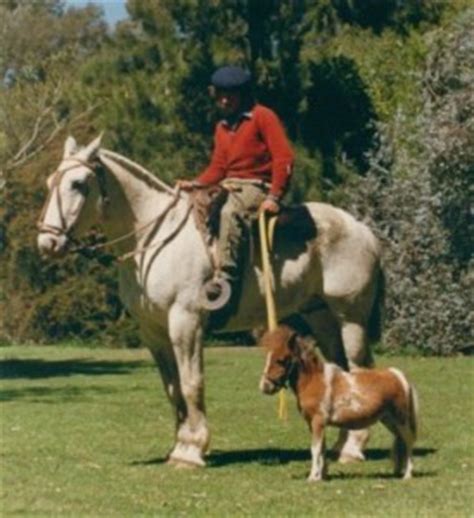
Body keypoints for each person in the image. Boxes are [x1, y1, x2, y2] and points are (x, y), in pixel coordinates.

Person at [178, 65, 294, 310]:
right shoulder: (222, 127)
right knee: (195, 208)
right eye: (220, 94)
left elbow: (284, 158)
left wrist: (275, 195)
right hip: (228, 185)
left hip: (257, 186)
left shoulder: (263, 116)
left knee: (229, 212)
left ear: (243, 93)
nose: (224, 100)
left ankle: (225, 280)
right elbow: (218, 168)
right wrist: (196, 184)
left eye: (230, 94)